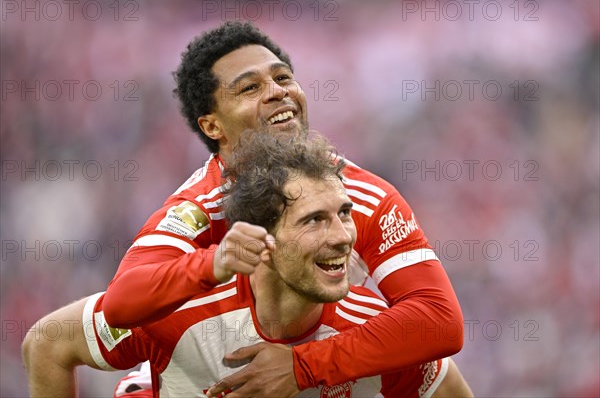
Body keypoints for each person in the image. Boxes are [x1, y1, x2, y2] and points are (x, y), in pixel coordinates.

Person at [24, 21, 465, 395]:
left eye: (283, 77)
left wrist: (303, 366)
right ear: (212, 125)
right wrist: (211, 264)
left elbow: (439, 321)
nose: (277, 92)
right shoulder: (199, 207)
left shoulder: (363, 196)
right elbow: (114, 307)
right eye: (250, 87)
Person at [23, 131, 473, 397]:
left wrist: (303, 367)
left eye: (344, 213)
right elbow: (46, 345)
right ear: (262, 238)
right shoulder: (174, 314)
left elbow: (446, 363)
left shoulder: (381, 333)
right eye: (314, 220)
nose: (342, 236)